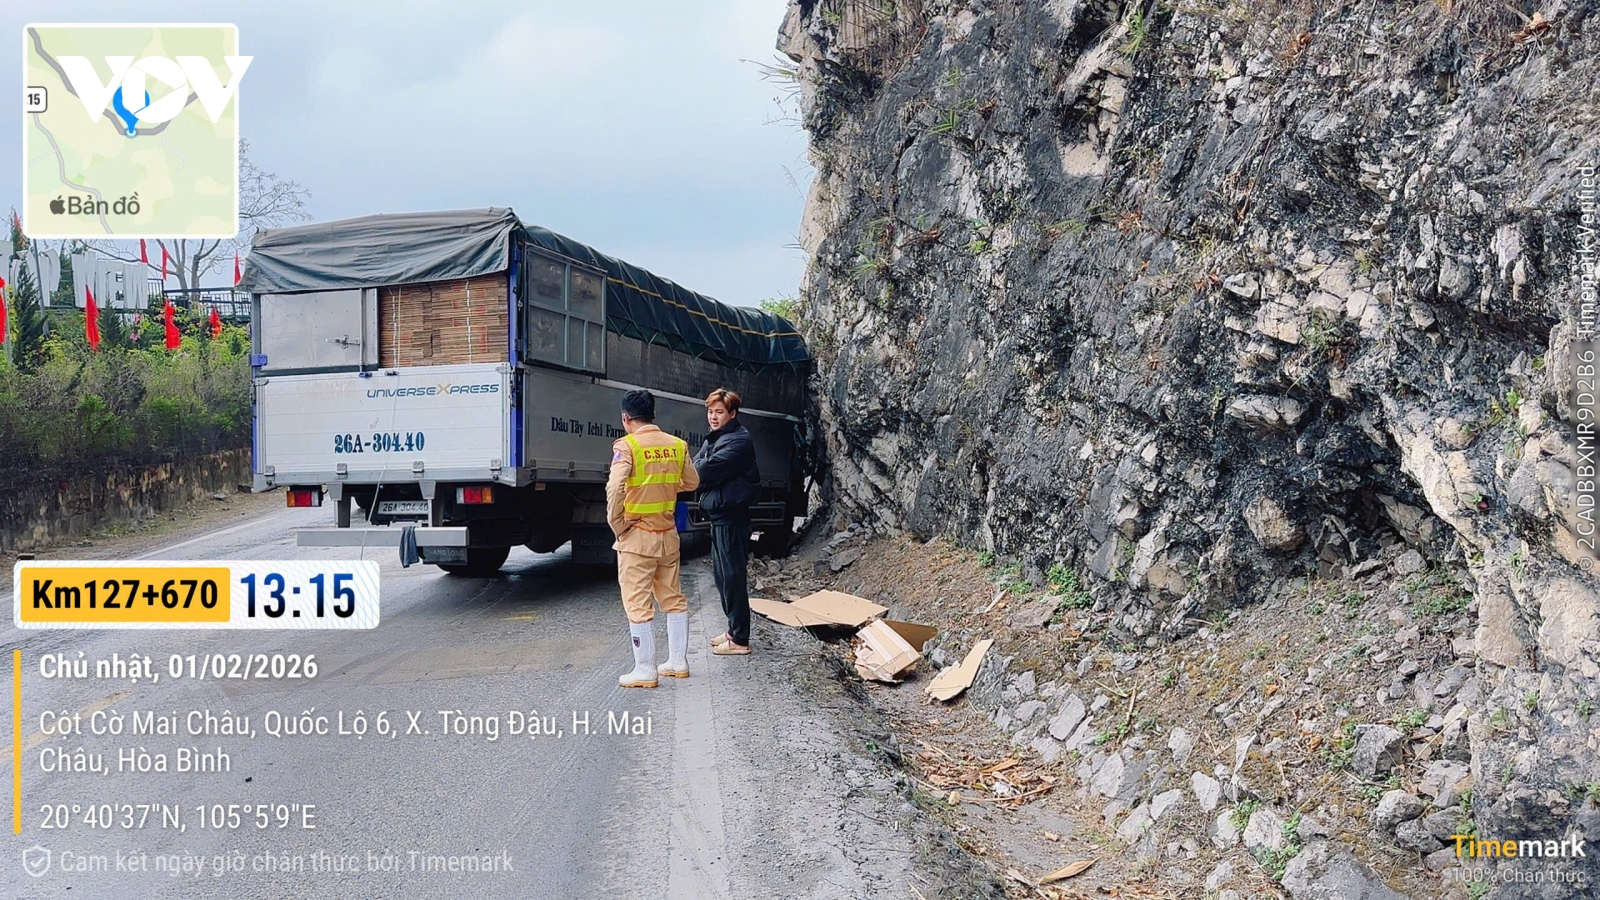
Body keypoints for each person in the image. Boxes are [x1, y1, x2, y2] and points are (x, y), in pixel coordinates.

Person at [606, 389, 700, 687]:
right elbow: (692, 481)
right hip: (668, 535)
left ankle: (645, 670)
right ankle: (678, 662)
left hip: (637, 538)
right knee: (673, 599)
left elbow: (616, 486)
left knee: (637, 603)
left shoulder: (627, 446)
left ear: (625, 418)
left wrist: (617, 523)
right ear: (654, 416)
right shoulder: (677, 445)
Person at [693, 388, 760, 656]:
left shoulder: (738, 441)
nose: (713, 416)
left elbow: (703, 470)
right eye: (710, 411)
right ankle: (733, 630)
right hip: (720, 516)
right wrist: (704, 465)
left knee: (732, 578)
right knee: (722, 578)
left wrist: (705, 466)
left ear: (732, 414)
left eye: (719, 412)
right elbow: (697, 464)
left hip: (732, 518)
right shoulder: (717, 438)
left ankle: (740, 640)